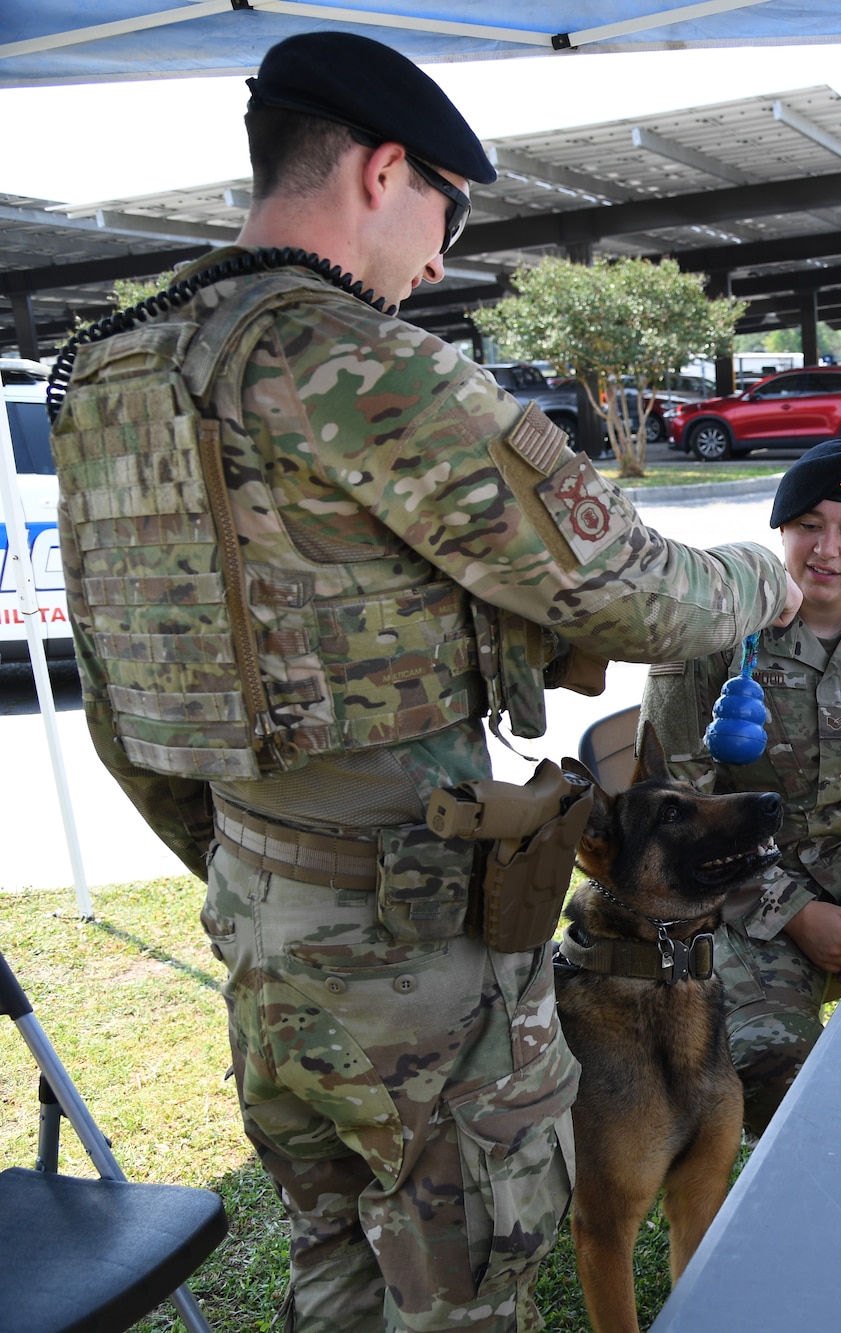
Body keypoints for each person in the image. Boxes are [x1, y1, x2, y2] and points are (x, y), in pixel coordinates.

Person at [50, 32, 799, 1332]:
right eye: (445, 212)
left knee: (333, 1255)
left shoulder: (118, 364)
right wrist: (762, 577)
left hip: (259, 912)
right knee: (460, 1288)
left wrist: (258, 868)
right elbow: (622, 587)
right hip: (408, 947)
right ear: (386, 171)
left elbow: (120, 679)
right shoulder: (350, 355)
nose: (441, 258)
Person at [639, 440, 841, 1134]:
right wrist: (792, 912)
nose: (827, 550)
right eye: (809, 524)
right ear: (780, 530)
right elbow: (669, 808)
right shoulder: (717, 638)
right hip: (736, 892)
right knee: (775, 1079)